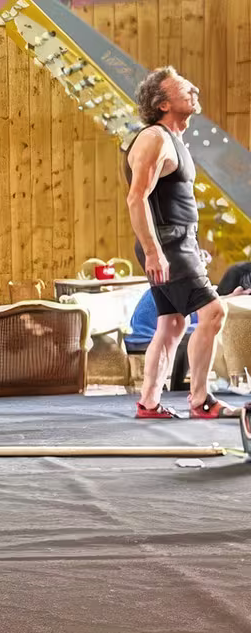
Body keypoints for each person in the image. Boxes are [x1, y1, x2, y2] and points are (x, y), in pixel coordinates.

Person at [124, 67, 241, 420]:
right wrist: (155, 251)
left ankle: (148, 403)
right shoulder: (154, 138)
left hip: (176, 241)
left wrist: (188, 243)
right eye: (183, 88)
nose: (194, 89)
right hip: (167, 243)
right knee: (214, 312)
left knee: (172, 323)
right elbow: (136, 198)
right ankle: (201, 400)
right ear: (162, 104)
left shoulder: (171, 139)